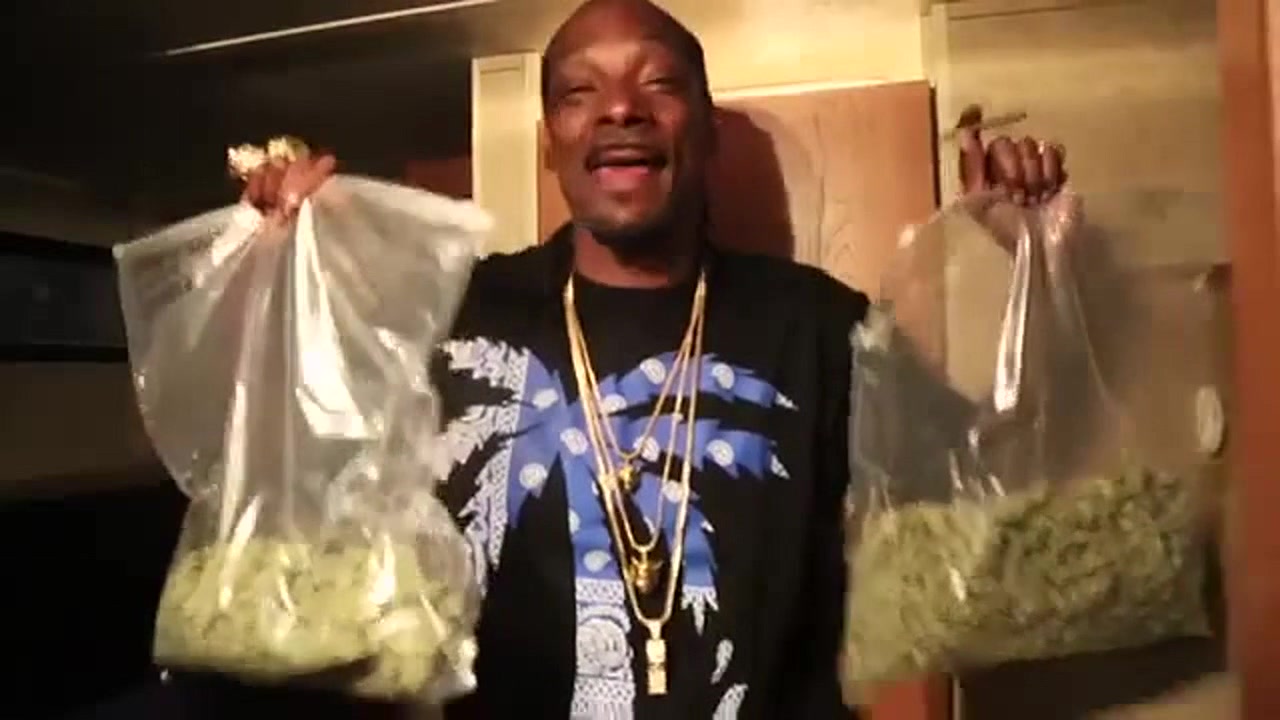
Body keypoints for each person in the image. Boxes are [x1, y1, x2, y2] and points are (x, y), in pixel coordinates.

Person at [78, 0, 1065, 718]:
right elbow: (297, 438)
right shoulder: (454, 314)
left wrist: (1024, 269)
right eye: (579, 92)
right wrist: (282, 261)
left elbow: (987, 493)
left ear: (704, 132)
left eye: (658, 84)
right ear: (553, 141)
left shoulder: (816, 325)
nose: (619, 108)